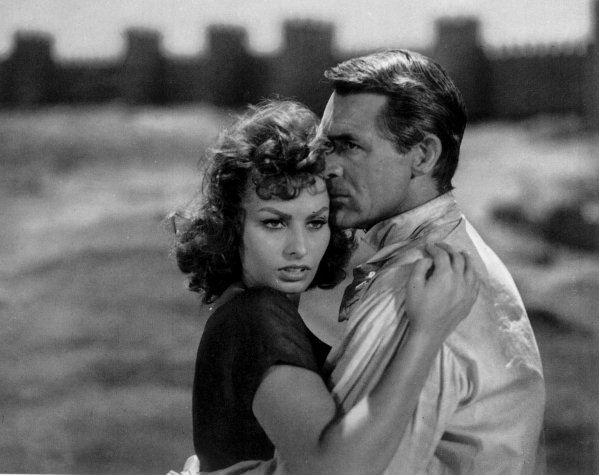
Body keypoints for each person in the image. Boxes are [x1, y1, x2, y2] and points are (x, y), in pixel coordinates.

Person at [169, 99, 480, 474]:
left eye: (315, 223)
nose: (299, 248)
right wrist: (426, 334)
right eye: (274, 223)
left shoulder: (251, 313)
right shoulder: (255, 318)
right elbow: (334, 469)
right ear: (232, 227)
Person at [306, 49, 545, 474]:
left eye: (349, 146)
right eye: (326, 145)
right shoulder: (459, 248)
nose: (327, 167)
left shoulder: (415, 283)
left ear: (423, 156)